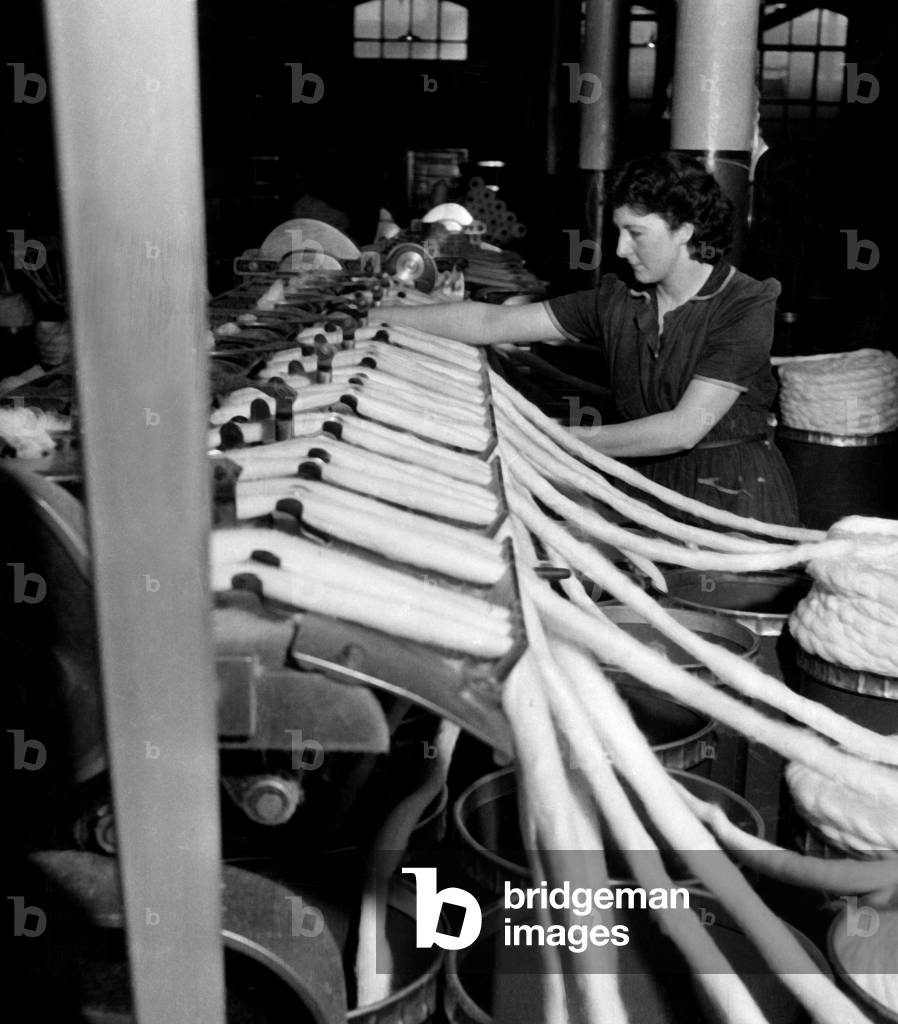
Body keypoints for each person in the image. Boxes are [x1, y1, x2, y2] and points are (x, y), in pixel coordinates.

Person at [377, 152, 800, 526]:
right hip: (643, 483)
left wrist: (555, 442)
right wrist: (375, 316)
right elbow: (490, 323)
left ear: (685, 230)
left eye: (635, 233)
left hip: (732, 495)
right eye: (619, 232)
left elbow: (684, 429)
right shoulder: (620, 301)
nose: (619, 249)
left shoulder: (743, 304)